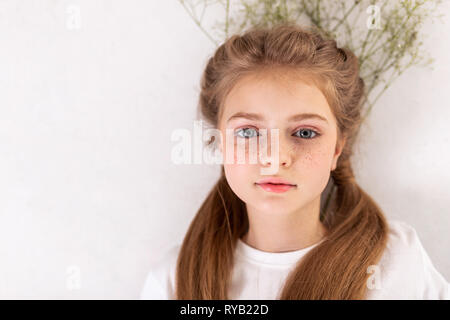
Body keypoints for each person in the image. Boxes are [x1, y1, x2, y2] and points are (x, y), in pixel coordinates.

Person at [141, 22, 450, 300]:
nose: (275, 159)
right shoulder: (173, 280)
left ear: (337, 148)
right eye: (248, 131)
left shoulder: (397, 263)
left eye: (304, 132)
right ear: (220, 141)